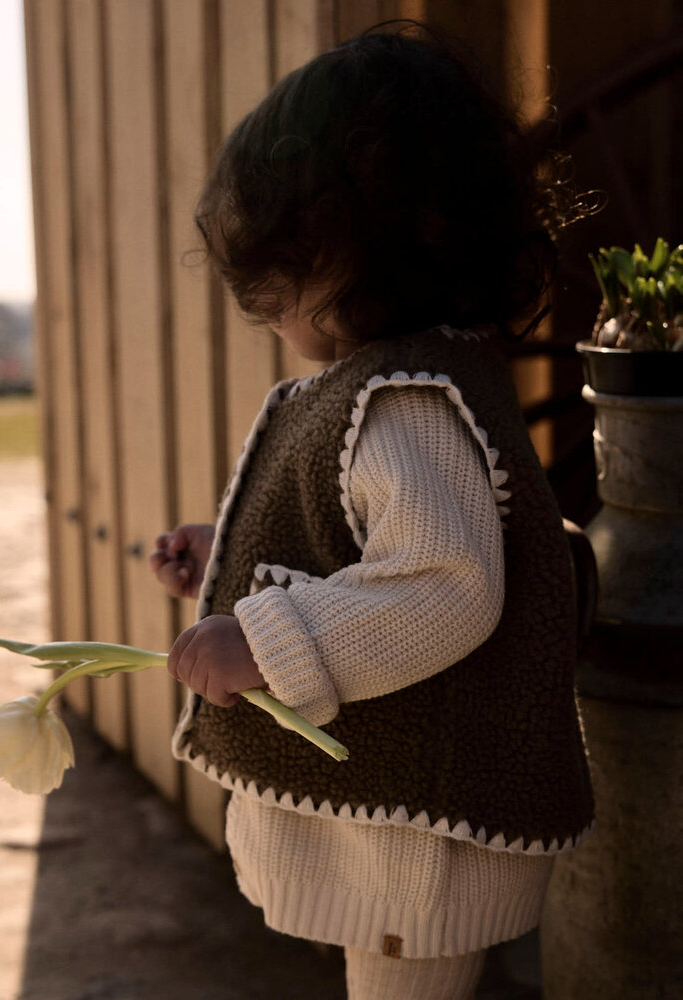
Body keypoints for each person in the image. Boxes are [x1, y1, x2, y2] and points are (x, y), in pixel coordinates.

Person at [150, 25, 594, 1000]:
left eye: (279, 282)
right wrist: (229, 555)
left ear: (366, 253)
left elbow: (442, 585)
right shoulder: (393, 383)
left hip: (417, 822)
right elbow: (358, 546)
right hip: (397, 812)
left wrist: (264, 643)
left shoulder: (407, 400)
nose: (265, 311)